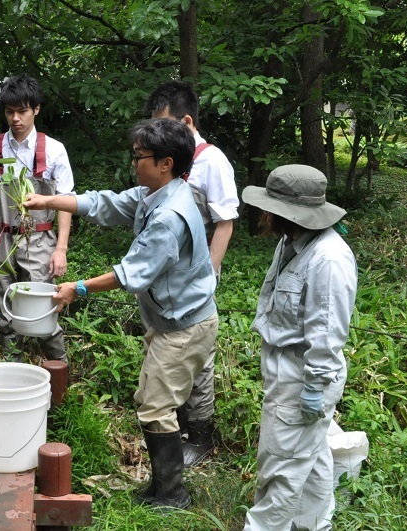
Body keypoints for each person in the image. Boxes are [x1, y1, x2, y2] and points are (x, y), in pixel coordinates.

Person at [24, 118, 218, 509]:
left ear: (165, 162)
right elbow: (104, 203)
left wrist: (77, 288)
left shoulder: (169, 216)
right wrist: (47, 200)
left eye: (139, 156)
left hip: (184, 327)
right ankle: (162, 485)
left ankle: (173, 494)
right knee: (151, 400)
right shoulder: (158, 193)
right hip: (171, 322)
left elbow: (132, 273)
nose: (133, 162)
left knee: (156, 406)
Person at [241, 165, 357, 531]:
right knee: (312, 457)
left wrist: (313, 387)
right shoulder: (290, 242)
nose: (264, 214)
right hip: (286, 371)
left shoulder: (329, 259)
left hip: (304, 378)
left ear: (286, 212)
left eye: (269, 207)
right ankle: (315, 525)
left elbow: (327, 333)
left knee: (281, 470)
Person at [146, 81, 239, 467]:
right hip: (165, 280)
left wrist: (209, 274)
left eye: (166, 127)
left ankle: (200, 436)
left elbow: (225, 222)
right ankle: (175, 425)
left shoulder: (212, 161)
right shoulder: (170, 160)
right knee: (168, 352)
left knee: (198, 358)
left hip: (194, 282)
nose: (160, 136)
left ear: (186, 122)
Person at [0, 75, 72, 362]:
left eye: (22, 111)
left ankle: (58, 374)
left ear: (36, 109)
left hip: (40, 239)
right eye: (9, 112)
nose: (15, 119)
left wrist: (61, 249)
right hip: (1, 238)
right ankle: (12, 372)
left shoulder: (54, 150)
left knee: (44, 309)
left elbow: (66, 203)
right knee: (6, 312)